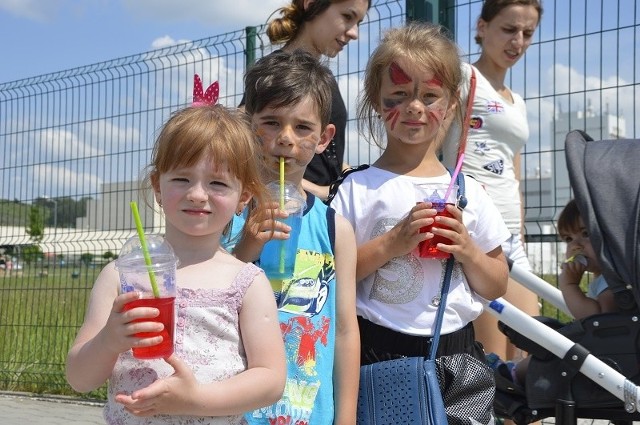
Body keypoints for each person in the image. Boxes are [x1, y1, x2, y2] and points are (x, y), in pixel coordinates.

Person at [65, 104, 286, 424]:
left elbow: (270, 379)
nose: (197, 194)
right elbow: (79, 379)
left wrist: (196, 399)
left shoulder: (246, 282)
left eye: (218, 184)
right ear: (157, 186)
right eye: (182, 178)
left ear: (244, 197)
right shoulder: (121, 276)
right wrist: (108, 341)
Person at [330, 20, 509, 385]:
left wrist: (467, 250)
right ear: (376, 102)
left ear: (451, 104)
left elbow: (497, 284)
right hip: (375, 352)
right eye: (397, 95)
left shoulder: (467, 191)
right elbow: (332, 275)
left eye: (429, 96)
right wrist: (392, 244)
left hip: (457, 357)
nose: (414, 107)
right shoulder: (356, 189)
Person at [232, 49, 360, 424]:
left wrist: (346, 417)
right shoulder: (225, 215)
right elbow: (206, 298)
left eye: (302, 127)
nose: (285, 139)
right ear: (246, 124)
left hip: (308, 410)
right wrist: (246, 247)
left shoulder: (337, 230)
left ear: (324, 138)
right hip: (233, 410)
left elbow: (345, 331)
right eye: (271, 122)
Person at [441, 0, 544, 362]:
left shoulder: (517, 101)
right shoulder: (466, 77)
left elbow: (512, 170)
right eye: (508, 29)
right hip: (477, 227)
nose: (517, 41)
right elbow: (436, 142)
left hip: (512, 235)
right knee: (493, 361)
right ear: (482, 28)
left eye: (527, 33)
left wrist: (522, 231)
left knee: (532, 364)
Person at [241, 0, 370, 201]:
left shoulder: (321, 80)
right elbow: (243, 143)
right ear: (312, 4)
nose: (354, 32)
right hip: (289, 207)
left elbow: (329, 158)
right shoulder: (274, 76)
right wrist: (309, 190)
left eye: (359, 23)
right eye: (347, 17)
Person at [488, 198, 618, 387]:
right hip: (601, 349)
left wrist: (570, 286)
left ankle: (514, 373)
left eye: (585, 234)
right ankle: (514, 368)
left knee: (557, 349)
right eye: (568, 239)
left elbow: (598, 320)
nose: (576, 246)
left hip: (607, 354)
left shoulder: (612, 281)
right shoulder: (603, 279)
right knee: (551, 340)